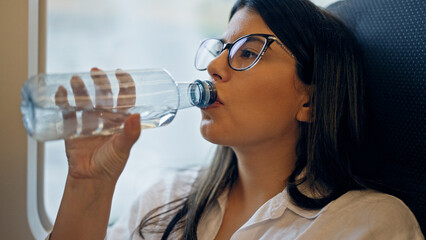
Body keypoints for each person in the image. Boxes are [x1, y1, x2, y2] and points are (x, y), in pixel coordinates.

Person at [48, 0, 424, 239]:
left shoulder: (369, 224)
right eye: (219, 50)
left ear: (310, 99)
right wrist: (89, 185)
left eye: (247, 53)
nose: (212, 67)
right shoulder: (165, 199)